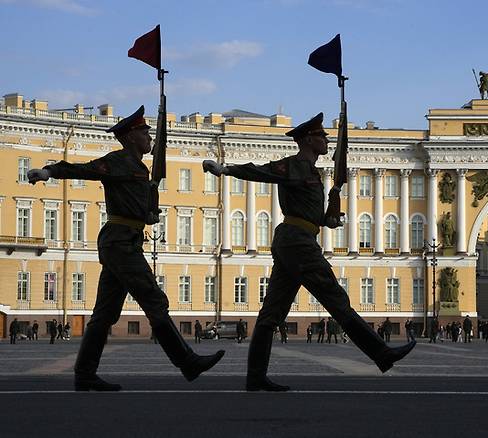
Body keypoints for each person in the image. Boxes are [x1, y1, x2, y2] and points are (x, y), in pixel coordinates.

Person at [203, 112, 415, 391]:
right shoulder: (296, 166)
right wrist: (226, 170)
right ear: (307, 140)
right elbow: (263, 171)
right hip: (297, 243)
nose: (326, 139)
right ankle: (381, 353)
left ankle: (255, 377)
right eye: (321, 136)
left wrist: (332, 212)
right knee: (335, 297)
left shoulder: (312, 172)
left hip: (299, 240)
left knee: (271, 314)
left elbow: (318, 219)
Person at [29, 106, 224, 391]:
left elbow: (142, 211)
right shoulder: (118, 161)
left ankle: (84, 375)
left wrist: (150, 209)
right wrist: (48, 171)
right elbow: (86, 169)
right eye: (145, 131)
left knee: (104, 315)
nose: (149, 137)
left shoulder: (140, 168)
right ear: (131, 136)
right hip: (120, 242)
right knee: (154, 301)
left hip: (126, 240)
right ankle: (187, 362)